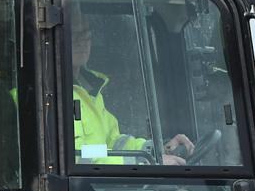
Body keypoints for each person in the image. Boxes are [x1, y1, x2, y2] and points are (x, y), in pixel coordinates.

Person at [71, 16, 195, 165]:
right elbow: (76, 157)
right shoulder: (56, 96)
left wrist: (158, 150)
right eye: (74, 34)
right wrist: (142, 163)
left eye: (86, 33)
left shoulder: (89, 89)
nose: (82, 41)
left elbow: (112, 144)